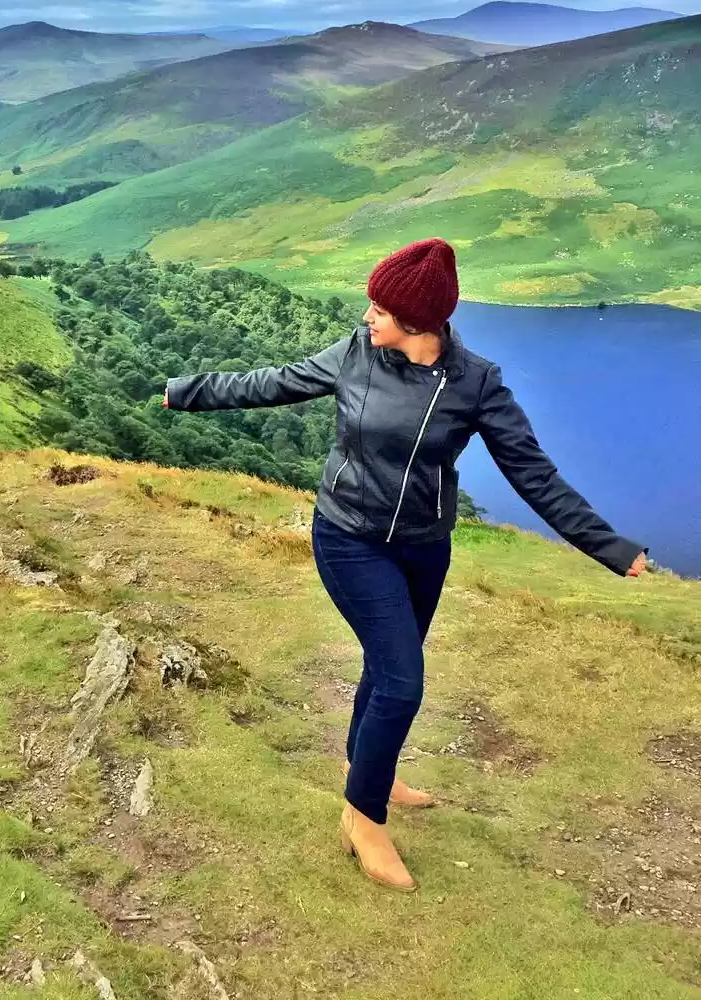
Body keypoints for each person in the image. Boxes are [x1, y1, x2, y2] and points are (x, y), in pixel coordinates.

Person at [161, 237, 647, 893]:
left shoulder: (476, 384)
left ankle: (370, 766)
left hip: (423, 547)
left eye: (381, 310)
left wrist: (608, 546)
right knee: (402, 681)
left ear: (419, 323)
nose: (368, 318)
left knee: (387, 669)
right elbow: (272, 383)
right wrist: (185, 392)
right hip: (348, 537)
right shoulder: (356, 353)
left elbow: (536, 477)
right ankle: (364, 817)